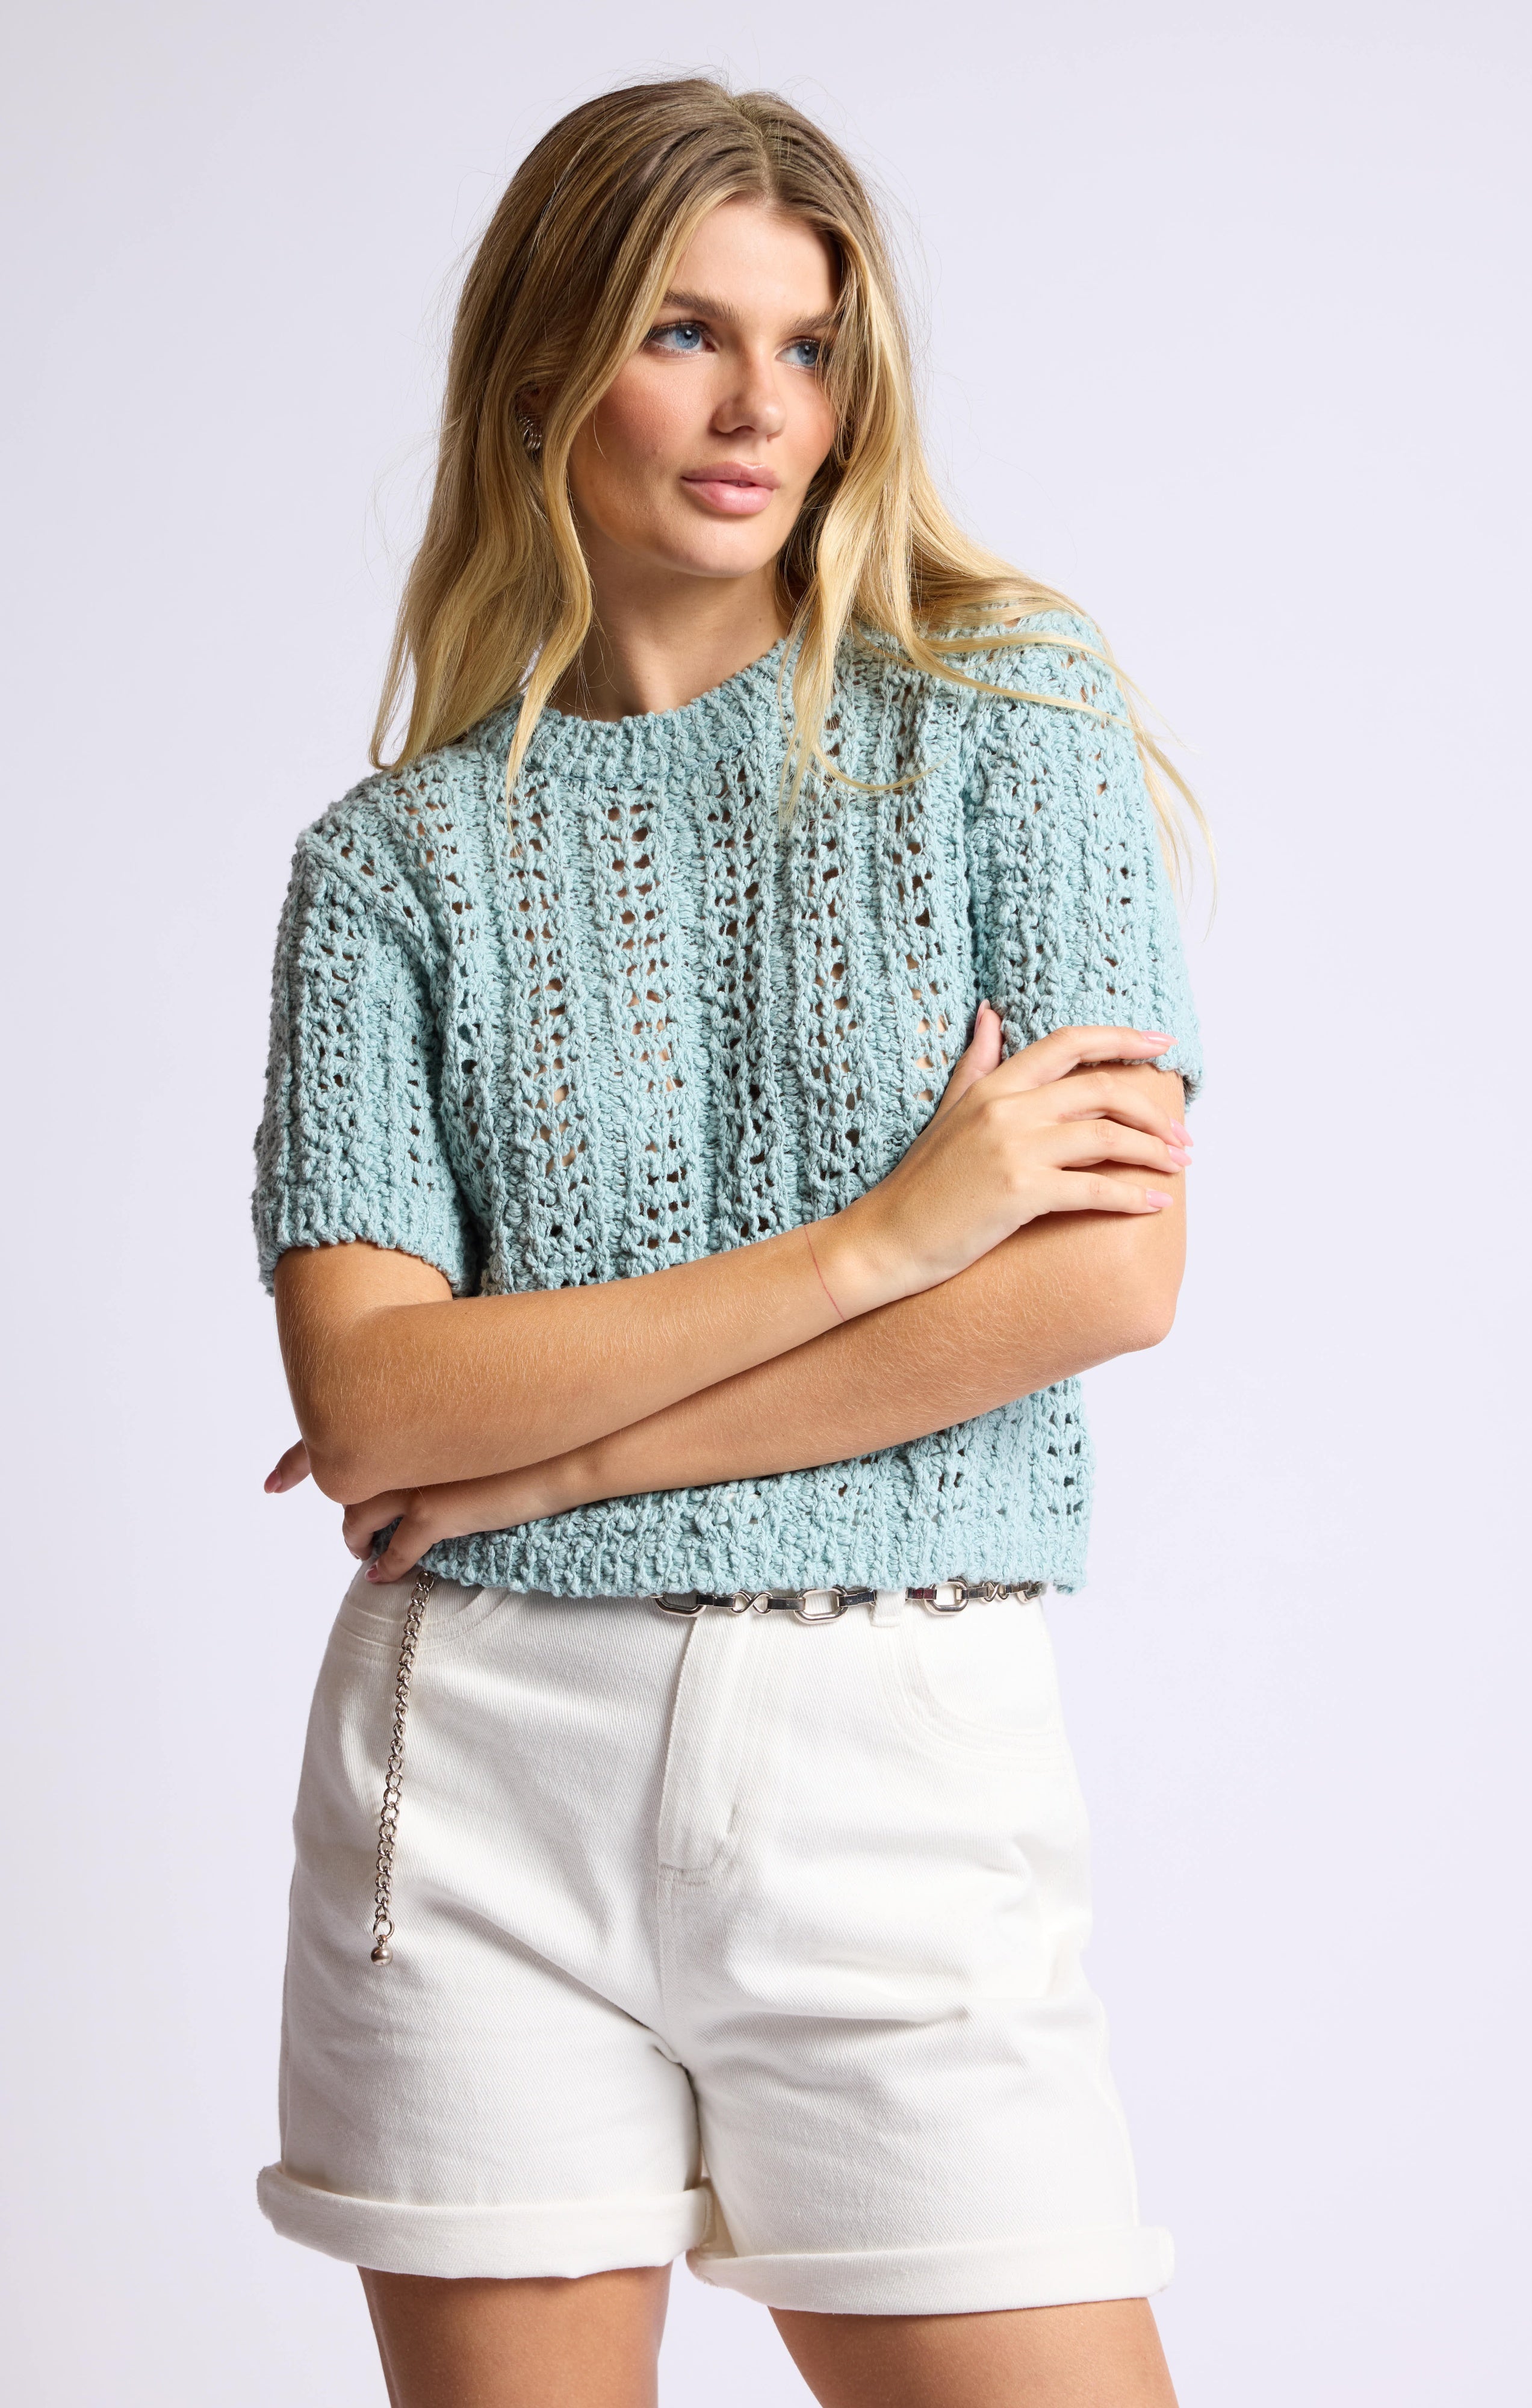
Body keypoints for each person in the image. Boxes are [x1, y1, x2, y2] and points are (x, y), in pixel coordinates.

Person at [253, 76, 1202, 2408]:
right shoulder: (392, 863)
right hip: (473, 1771)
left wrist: (562, 1457)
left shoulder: (1007, 710)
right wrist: (885, 1240)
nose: (760, 406)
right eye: (685, 332)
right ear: (542, 368)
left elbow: (1100, 1278)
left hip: (889, 1742)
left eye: (809, 343)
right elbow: (373, 1400)